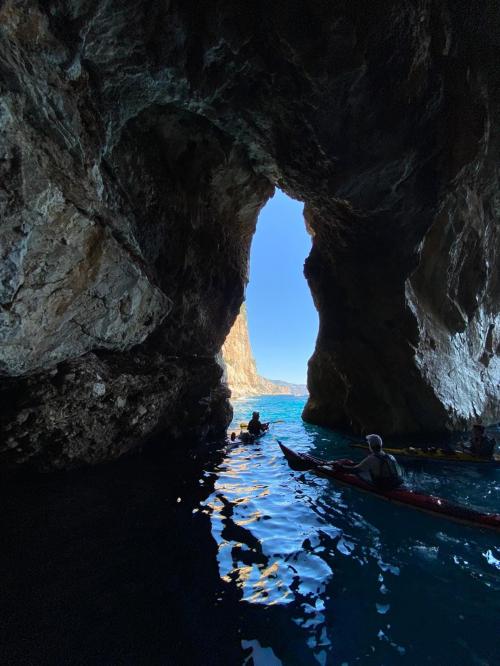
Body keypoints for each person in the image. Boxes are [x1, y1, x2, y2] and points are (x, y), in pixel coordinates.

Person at [333, 434, 403, 490]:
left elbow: (355, 470)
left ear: (371, 446)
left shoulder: (372, 458)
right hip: (397, 482)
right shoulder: (390, 456)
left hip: (384, 486)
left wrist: (340, 467)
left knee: (359, 473)